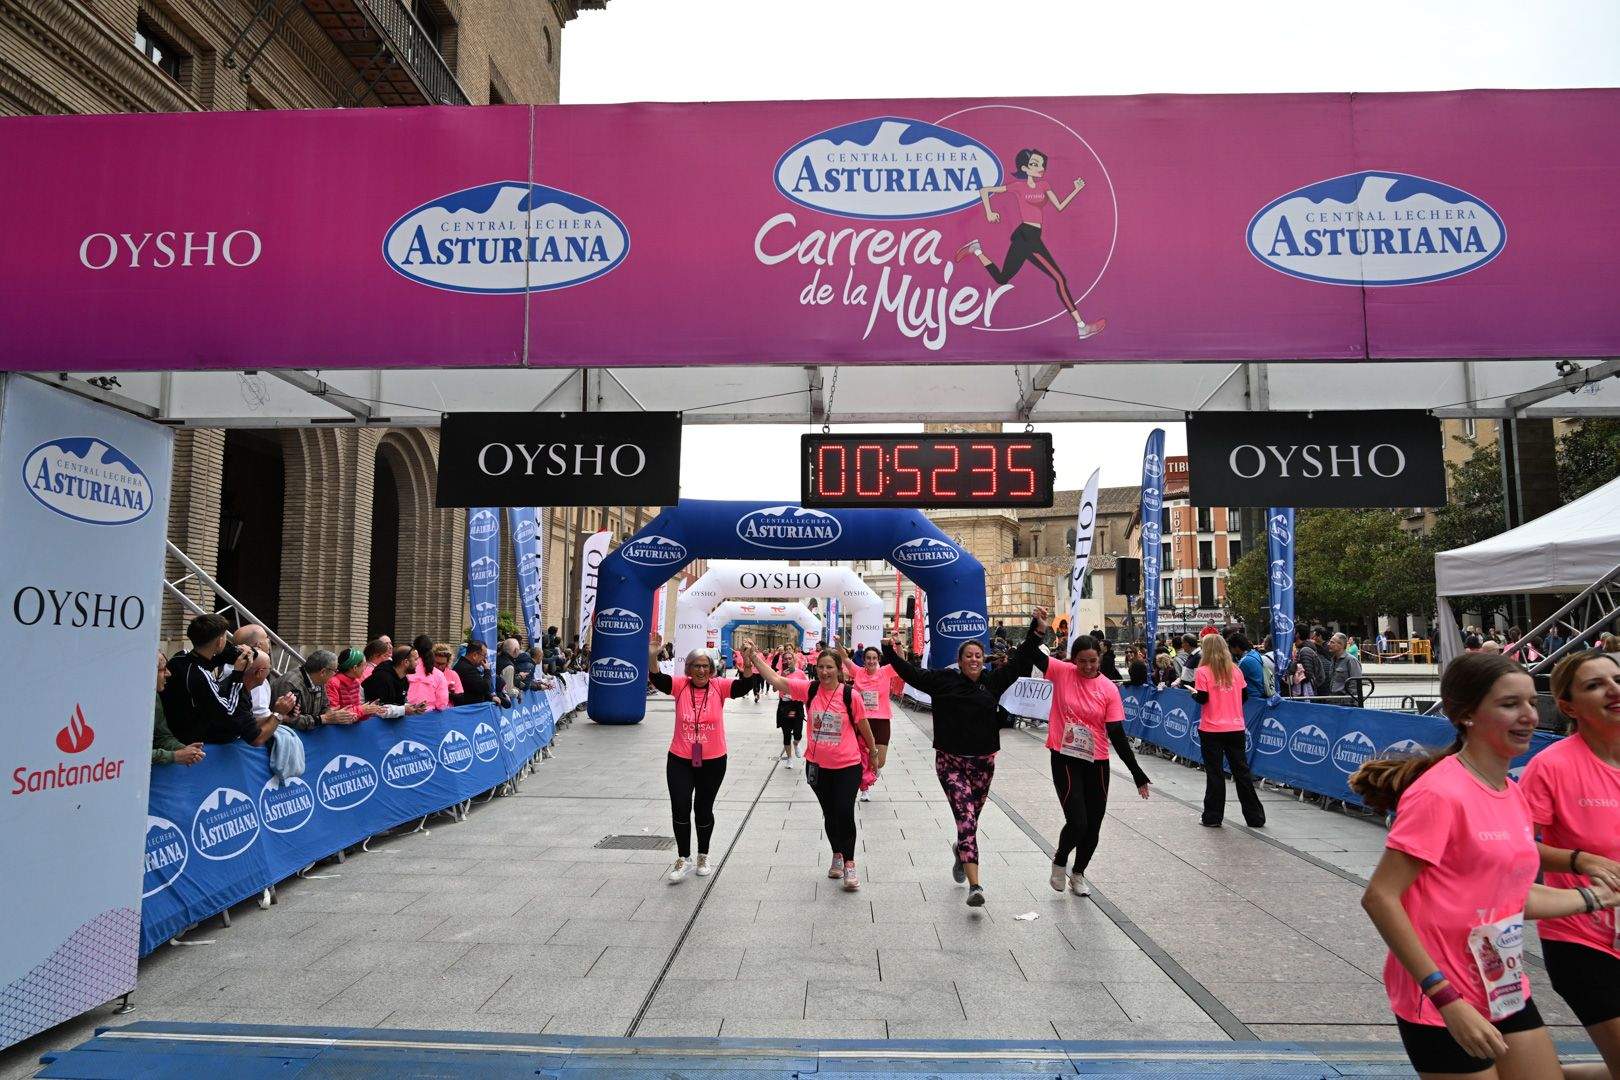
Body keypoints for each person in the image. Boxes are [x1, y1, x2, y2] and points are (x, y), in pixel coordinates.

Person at [1352, 653, 1620, 1080]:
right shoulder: (1439, 793)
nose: (1529, 715)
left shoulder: (1512, 793)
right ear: (1466, 715)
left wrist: (1595, 897)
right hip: (1443, 996)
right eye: (1510, 704)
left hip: (1502, 982)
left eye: (1531, 702)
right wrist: (1445, 997)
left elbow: (1509, 897)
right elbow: (1380, 897)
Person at [879, 618, 1039, 907]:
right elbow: (912, 674)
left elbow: (1019, 662)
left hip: (983, 765)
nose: (974, 660)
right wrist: (889, 651)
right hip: (950, 763)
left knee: (970, 822)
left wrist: (1036, 631)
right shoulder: (944, 681)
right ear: (960, 660)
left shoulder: (992, 682)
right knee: (966, 820)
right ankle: (975, 886)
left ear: (983, 659)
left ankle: (960, 851)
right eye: (969, 656)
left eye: (978, 655)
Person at [1518, 650, 1620, 1076]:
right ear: (1568, 707)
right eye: (1595, 685)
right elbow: (1514, 846)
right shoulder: (1552, 766)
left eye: (1617, 679)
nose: (1613, 690)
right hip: (1583, 939)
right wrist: (1580, 860)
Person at [1023, 617, 1150, 898]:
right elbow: (1029, 652)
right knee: (1077, 821)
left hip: (1097, 761)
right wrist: (1038, 628)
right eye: (1082, 661)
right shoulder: (1061, 672)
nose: (1088, 667)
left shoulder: (1109, 689)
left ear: (1100, 658)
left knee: (1093, 826)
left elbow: (1116, 734)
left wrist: (1136, 771)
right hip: (1064, 757)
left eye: (1093, 661)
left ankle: (1078, 874)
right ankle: (1060, 860)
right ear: (1074, 660)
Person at [754, 646, 878, 893]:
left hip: (847, 766)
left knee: (844, 812)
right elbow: (776, 680)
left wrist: (873, 752)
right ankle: (837, 854)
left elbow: (863, 725)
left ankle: (850, 864)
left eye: (829, 667)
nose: (824, 672)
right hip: (817, 767)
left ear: (838, 669)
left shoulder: (850, 695)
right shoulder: (810, 689)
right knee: (829, 814)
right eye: (820, 667)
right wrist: (755, 658)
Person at [955, 148, 1106, 341]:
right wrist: (989, 212)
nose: (1040, 168)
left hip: (1030, 237)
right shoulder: (1018, 186)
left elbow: (1060, 206)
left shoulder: (1044, 185)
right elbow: (985, 190)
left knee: (1002, 278)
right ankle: (1082, 327)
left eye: (1042, 165)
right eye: (1035, 164)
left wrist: (1075, 190)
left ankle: (976, 250)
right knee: (1059, 279)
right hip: (1027, 236)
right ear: (1025, 168)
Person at [648, 646, 763, 882]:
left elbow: (744, 686)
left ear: (711, 669)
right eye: (696, 666)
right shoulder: (680, 685)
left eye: (705, 666)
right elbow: (657, 678)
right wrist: (652, 655)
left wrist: (748, 664)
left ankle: (703, 855)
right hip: (680, 758)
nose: (701, 670)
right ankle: (684, 858)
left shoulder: (719, 686)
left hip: (713, 760)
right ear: (689, 668)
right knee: (680, 806)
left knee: (703, 808)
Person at [1194, 633, 1266, 829]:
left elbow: (1202, 698)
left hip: (1211, 727)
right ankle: (1255, 817)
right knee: (1242, 772)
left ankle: (1213, 816)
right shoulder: (1236, 670)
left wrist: (1193, 694)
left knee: (1215, 773)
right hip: (1235, 726)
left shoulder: (1202, 672)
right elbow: (1244, 696)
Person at [844, 645, 897, 801]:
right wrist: (837, 642)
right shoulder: (857, 672)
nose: (871, 661)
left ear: (878, 659)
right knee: (862, 756)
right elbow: (844, 658)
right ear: (864, 659)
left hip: (882, 721)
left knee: (880, 762)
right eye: (868, 658)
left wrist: (897, 645)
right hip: (862, 721)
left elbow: (900, 660)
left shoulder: (885, 672)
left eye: (874, 658)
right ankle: (864, 788)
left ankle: (873, 771)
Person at [271, 650, 358, 729]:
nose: (335, 674)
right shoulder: (290, 684)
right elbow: (288, 719)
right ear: (323, 672)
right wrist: (323, 719)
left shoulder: (320, 681)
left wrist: (336, 714)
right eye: (335, 671)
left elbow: (324, 707)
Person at [152, 650, 204, 766]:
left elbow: (162, 737)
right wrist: (173, 756)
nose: (169, 673)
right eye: (163, 669)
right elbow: (131, 754)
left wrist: (183, 749)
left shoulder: (155, 697)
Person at [364, 646, 428, 717]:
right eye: (415, 659)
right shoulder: (382, 678)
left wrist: (413, 708)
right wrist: (404, 710)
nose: (418, 663)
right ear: (406, 662)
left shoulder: (404, 680)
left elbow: (397, 703)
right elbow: (380, 710)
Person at [775, 651, 806, 767]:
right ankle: (789, 758)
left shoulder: (800, 673)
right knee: (786, 733)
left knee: (798, 733)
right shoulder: (779, 673)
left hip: (797, 705)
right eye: (785, 659)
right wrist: (782, 676)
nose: (788, 661)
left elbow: (806, 689)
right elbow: (774, 689)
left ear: (794, 660)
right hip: (785, 705)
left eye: (790, 658)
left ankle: (796, 744)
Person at [452, 640, 500, 706]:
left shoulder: (465, 665)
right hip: (468, 709)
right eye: (484, 656)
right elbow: (485, 688)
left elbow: (475, 688)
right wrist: (487, 670)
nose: (485, 659)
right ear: (475, 655)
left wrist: (490, 698)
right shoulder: (468, 669)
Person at [325, 649, 367, 715]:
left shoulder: (356, 681)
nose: (365, 668)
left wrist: (369, 711)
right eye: (364, 665)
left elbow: (357, 710)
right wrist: (363, 710)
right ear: (355, 668)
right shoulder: (333, 683)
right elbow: (333, 713)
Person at [1327, 633, 1365, 702]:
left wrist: (1347, 701)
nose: (1328, 644)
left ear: (1341, 645)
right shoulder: (1333, 659)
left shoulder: (1351, 660)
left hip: (1345, 703)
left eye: (1332, 642)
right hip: (1333, 701)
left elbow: (1355, 684)